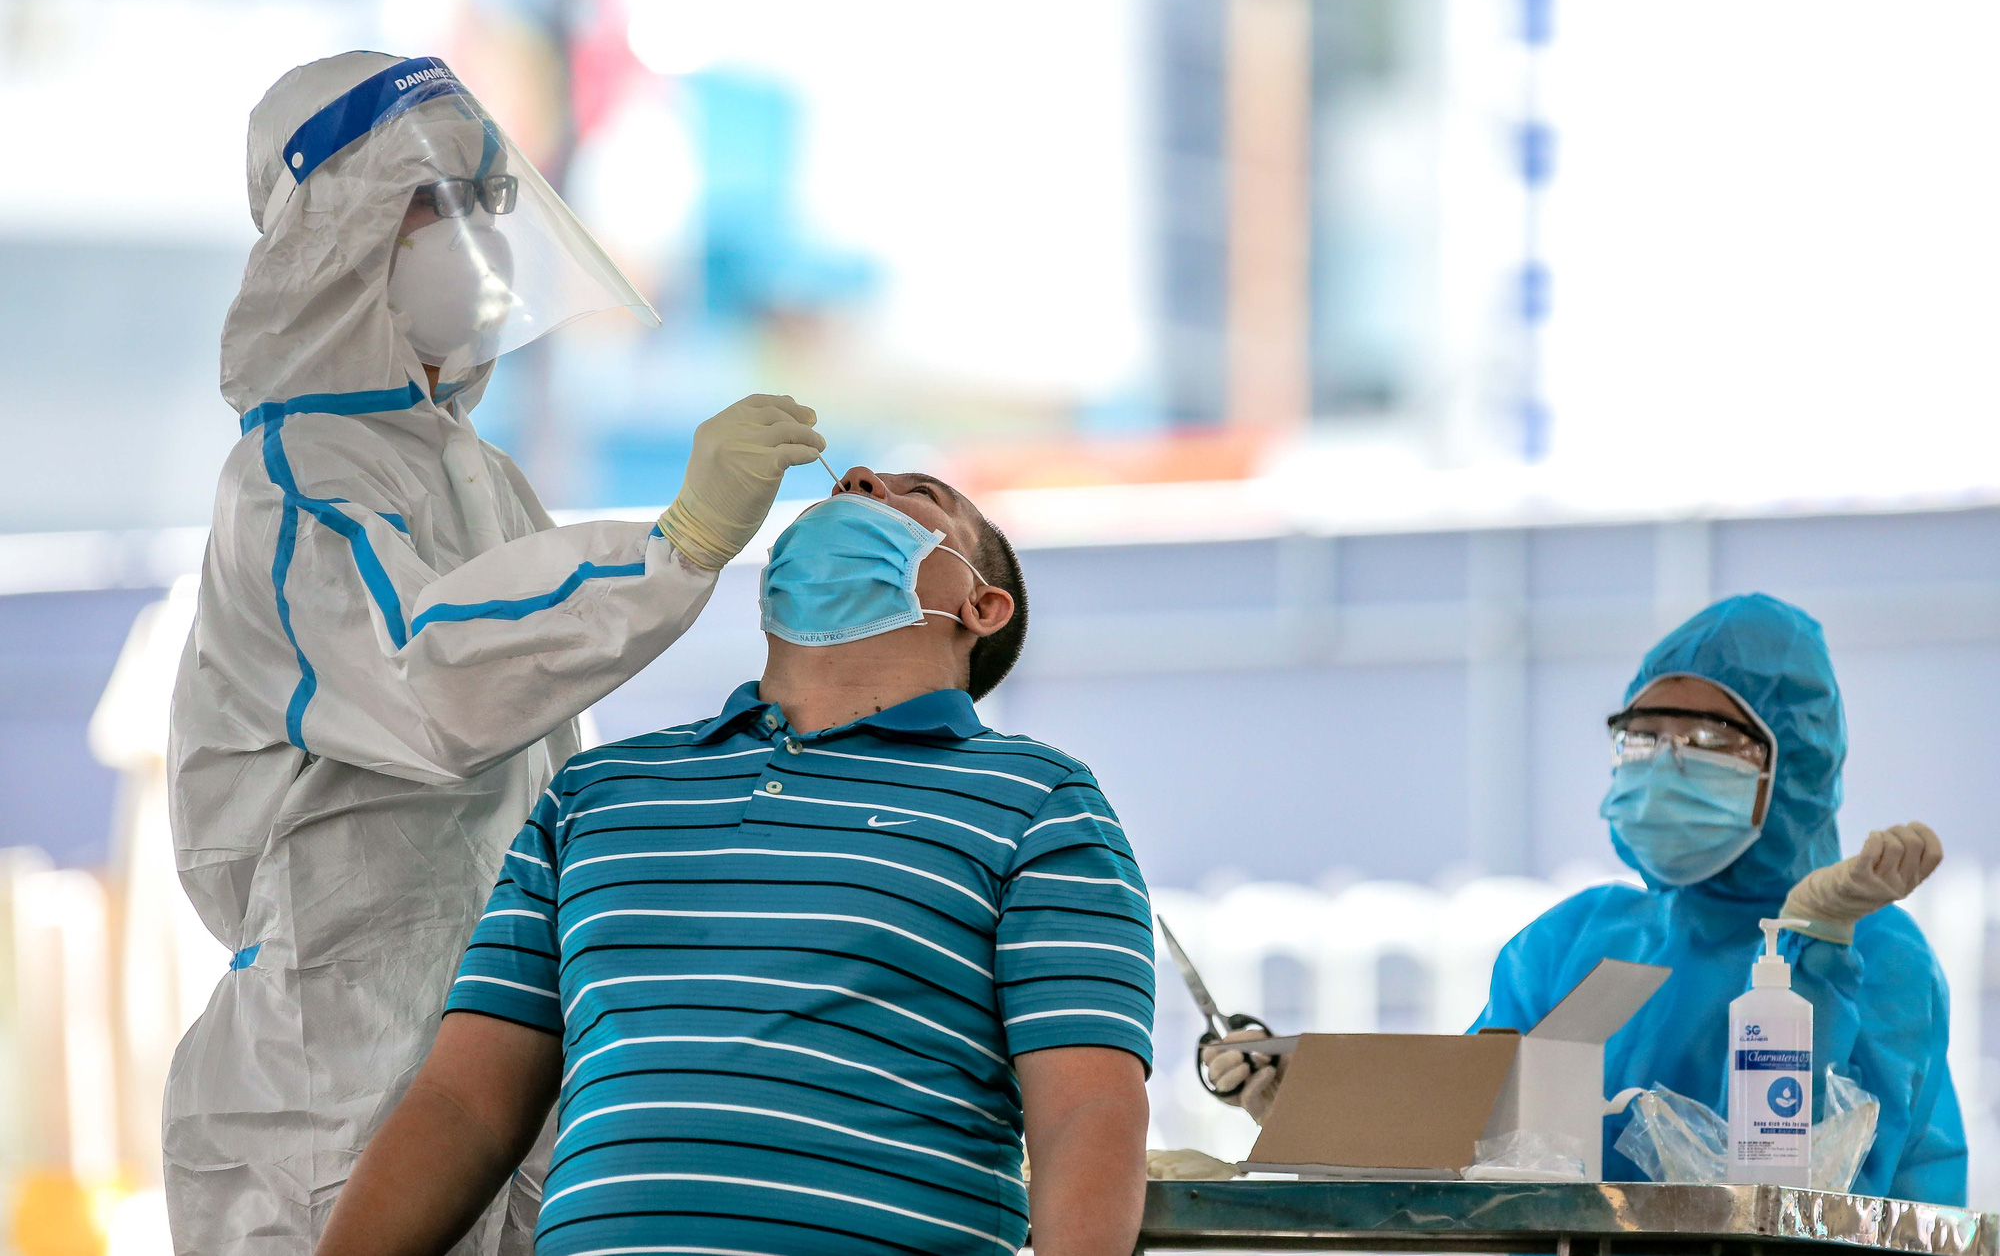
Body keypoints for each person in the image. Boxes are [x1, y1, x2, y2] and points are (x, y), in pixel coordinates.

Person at [166, 50, 826, 1255]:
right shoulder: (292, 480)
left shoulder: (481, 474)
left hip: (500, 1044)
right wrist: (677, 542)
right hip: (335, 1070)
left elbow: (544, 751)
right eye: (433, 199)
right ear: (337, 235)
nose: (474, 232)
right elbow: (432, 682)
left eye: (488, 196)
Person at [315, 467, 1155, 1256]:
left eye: (918, 492)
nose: (858, 482)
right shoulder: (597, 789)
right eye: (849, 482)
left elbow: (1086, 1108)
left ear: (982, 605)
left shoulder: (1038, 798)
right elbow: (464, 1103)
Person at [1203, 594, 1962, 1203]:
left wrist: (1815, 946)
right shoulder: (1575, 940)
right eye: (1644, 737)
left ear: (1793, 765)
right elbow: (1465, 1136)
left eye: (1705, 741)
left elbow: (1815, 1193)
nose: (1663, 768)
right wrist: (1311, 1106)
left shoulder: (1872, 951)